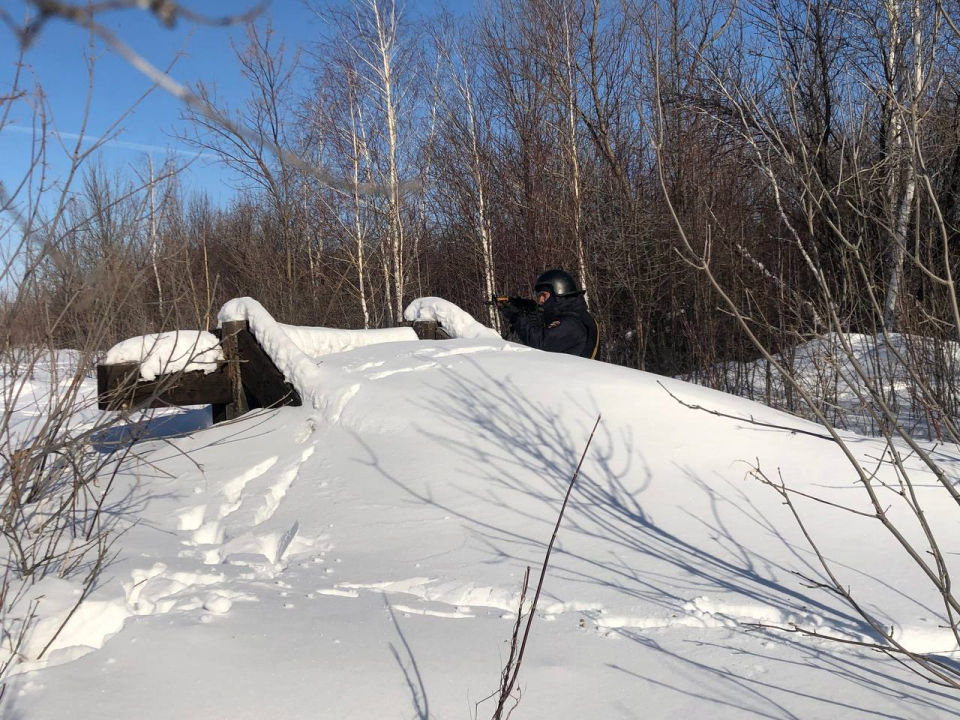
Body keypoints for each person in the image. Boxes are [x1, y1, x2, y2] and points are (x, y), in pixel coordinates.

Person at [497, 269, 600, 359]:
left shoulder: (573, 324)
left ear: (558, 293)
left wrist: (517, 317)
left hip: (574, 379)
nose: (540, 300)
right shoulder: (574, 316)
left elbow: (540, 343)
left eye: (544, 295)